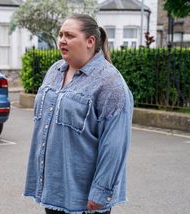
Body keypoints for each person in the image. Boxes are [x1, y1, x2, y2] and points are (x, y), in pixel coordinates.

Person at [24, 14, 134, 214]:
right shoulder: (54, 71)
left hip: (84, 200)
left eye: (69, 35)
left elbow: (115, 145)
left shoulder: (110, 82)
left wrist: (101, 192)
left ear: (90, 41)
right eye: (60, 35)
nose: (62, 40)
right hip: (54, 191)